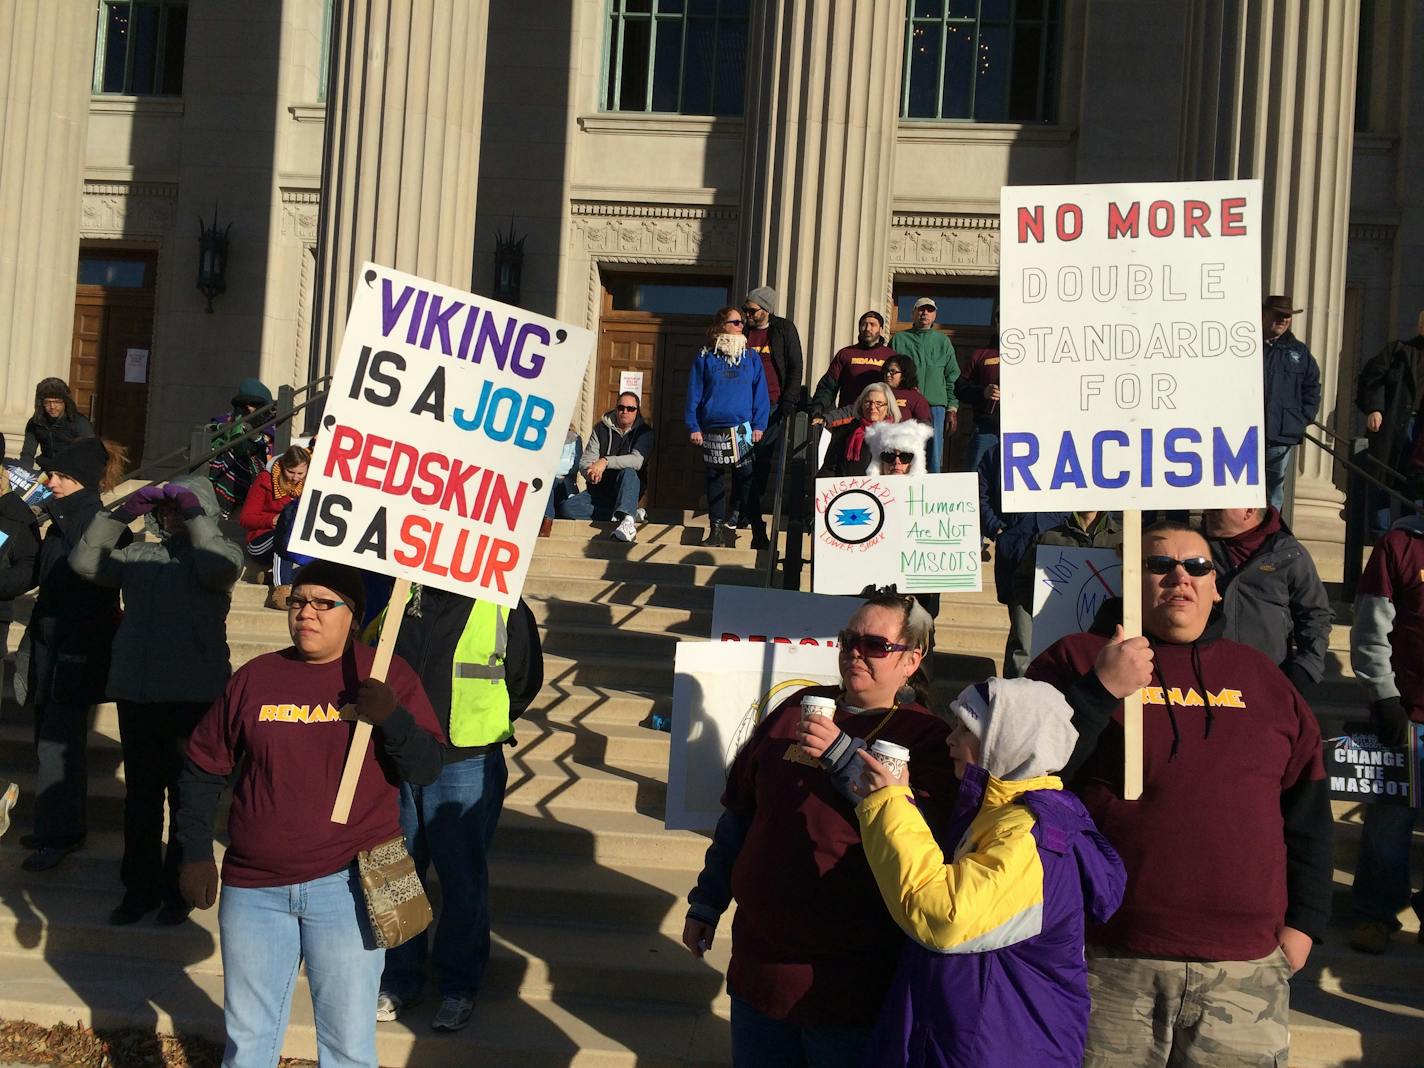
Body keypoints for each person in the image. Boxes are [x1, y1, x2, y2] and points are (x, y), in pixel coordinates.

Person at [1026, 522, 1333, 1066]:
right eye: (1159, 565)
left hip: (1245, 968)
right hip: (1110, 957)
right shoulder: (1074, 660)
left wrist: (1305, 922)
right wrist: (1099, 692)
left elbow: (1306, 811)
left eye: (1197, 566)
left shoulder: (1263, 679)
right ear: (1130, 581)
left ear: (1217, 586)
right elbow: (1027, 778)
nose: (1179, 577)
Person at [173, 560, 444, 1068]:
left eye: (324, 603)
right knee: (249, 1040)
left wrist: (393, 718)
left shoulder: (386, 676)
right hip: (254, 890)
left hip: (349, 888)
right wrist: (192, 851)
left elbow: (427, 769)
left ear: (354, 614)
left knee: (347, 1045)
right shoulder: (257, 678)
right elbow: (203, 767)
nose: (307, 613)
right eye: (299, 601)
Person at [682, 593, 956, 1067]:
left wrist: (844, 758)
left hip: (848, 985)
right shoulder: (796, 709)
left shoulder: (926, 739)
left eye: (875, 644)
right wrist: (707, 901)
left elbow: (923, 841)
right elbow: (741, 817)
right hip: (760, 968)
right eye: (849, 639)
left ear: (912, 659)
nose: (854, 652)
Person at [852, 678, 1126, 1067]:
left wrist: (889, 806)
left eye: (966, 729)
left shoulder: (1034, 835)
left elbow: (944, 916)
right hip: (975, 1042)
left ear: (1007, 740)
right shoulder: (998, 815)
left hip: (1001, 1050)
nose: (950, 739)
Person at [69, 474, 243, 925]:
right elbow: (86, 564)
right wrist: (118, 514)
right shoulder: (139, 553)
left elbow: (219, 570)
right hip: (138, 693)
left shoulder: (217, 553)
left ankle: (178, 891)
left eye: (178, 508)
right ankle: (139, 890)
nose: (170, 515)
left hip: (193, 696)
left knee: (187, 795)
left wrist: (195, 512)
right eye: (165, 509)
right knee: (142, 799)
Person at [376, 586, 544, 1030]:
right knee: (395, 874)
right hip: (400, 755)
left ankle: (458, 986)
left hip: (466, 759)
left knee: (462, 878)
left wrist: (484, 725)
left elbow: (524, 681)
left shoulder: (504, 604)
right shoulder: (400, 593)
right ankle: (399, 978)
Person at [20, 437, 130, 872]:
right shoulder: (55, 522)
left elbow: (93, 575)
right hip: (47, 646)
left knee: (59, 746)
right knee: (46, 738)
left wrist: (56, 515)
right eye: (51, 475)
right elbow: (27, 574)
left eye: (60, 476)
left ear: (80, 481)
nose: (50, 483)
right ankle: (58, 825)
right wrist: (13, 518)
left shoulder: (105, 522)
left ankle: (59, 835)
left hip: (77, 649)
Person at [1347, 515, 1424, 954]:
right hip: (1408, 714)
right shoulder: (1400, 544)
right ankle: (1376, 913)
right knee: (1389, 824)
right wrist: (1384, 696)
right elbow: (1370, 628)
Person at [1202, 506, 1332, 699]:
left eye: (1217, 508)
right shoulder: (1193, 549)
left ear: (1249, 510)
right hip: (1203, 676)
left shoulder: (1290, 554)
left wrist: (1306, 669)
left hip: (1268, 680)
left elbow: (1316, 616)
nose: (1206, 512)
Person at [686, 306, 769, 548]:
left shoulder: (751, 357)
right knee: (714, 479)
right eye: (735, 322)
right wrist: (693, 425)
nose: (741, 325)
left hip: (742, 429)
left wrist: (759, 424)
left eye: (742, 322)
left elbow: (760, 394)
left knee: (747, 479)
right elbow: (694, 394)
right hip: (712, 428)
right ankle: (716, 530)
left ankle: (758, 530)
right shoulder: (705, 356)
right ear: (722, 325)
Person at [1005, 510, 1121, 679]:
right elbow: (1022, 581)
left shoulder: (1125, 540)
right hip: (1060, 642)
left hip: (1109, 642)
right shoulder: (1049, 538)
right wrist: (1041, 612)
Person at [742, 286, 804, 549]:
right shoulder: (741, 331)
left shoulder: (783, 329)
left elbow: (795, 365)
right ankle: (743, 514)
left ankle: (753, 519)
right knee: (742, 465)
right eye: (745, 309)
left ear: (766, 309)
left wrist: (788, 400)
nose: (747, 314)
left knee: (761, 464)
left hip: (771, 405)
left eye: (751, 310)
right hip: (741, 407)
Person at [554, 391, 654, 543]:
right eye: (621, 407)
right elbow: (586, 460)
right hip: (599, 490)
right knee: (567, 508)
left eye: (630, 408)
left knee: (629, 472)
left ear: (637, 411)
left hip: (627, 489)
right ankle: (629, 513)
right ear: (616, 408)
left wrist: (605, 461)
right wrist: (590, 472)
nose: (624, 411)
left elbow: (637, 461)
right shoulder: (600, 428)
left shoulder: (644, 432)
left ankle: (627, 522)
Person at [1354, 311, 1424, 516]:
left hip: (1421, 429)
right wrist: (1374, 409)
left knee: (1416, 481)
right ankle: (1378, 535)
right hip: (1394, 423)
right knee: (1382, 477)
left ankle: (1408, 533)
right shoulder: (1398, 350)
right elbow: (1371, 381)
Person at [1261, 295, 1321, 511]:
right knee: (1238, 489)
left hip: (1280, 435)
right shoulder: (1245, 344)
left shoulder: (1299, 351)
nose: (1283, 319)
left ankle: (1269, 539)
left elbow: (1312, 386)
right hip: (1242, 434)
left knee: (1273, 493)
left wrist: (1302, 418)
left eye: (1287, 316)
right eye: (1278, 314)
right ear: (1264, 314)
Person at [890, 297, 959, 473]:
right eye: (921, 309)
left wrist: (952, 408)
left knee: (933, 457)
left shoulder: (943, 342)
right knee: (904, 453)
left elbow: (952, 377)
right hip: (906, 406)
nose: (924, 313)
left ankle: (933, 497)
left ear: (934, 315)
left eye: (929, 310)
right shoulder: (900, 339)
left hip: (935, 408)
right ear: (913, 313)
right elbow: (888, 374)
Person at [238, 444, 309, 604]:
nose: (295, 478)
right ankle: (282, 590)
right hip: (261, 540)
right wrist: (272, 520)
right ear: (282, 466)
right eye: (291, 472)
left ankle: (275, 576)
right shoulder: (265, 480)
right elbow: (245, 518)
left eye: (300, 473)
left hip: (295, 542)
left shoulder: (308, 487)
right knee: (284, 534)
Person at [209, 378, 275, 516]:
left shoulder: (271, 426)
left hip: (257, 471)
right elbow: (211, 433)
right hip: (227, 467)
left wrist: (251, 435)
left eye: (254, 404)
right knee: (226, 458)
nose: (249, 408)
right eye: (244, 404)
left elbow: (267, 450)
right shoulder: (228, 421)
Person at [809, 311, 895, 417]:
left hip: (879, 421)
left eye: (873, 325)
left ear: (881, 330)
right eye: (864, 324)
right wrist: (819, 406)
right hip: (847, 419)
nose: (867, 328)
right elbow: (828, 386)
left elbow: (900, 390)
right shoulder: (845, 354)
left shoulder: (891, 357)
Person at [818, 382, 899, 478]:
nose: (872, 407)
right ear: (861, 405)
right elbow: (830, 469)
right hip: (849, 489)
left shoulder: (898, 437)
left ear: (888, 408)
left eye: (879, 403)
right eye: (868, 402)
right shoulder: (845, 433)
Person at [955, 316, 1001, 477]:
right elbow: (960, 388)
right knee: (975, 478)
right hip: (986, 428)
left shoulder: (1033, 355)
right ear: (996, 322)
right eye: (1001, 318)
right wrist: (983, 392)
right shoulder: (981, 355)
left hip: (1022, 430)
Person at [19, 378, 95, 470]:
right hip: (46, 472)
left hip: (71, 474)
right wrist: (23, 474)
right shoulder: (35, 422)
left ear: (65, 402)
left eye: (57, 402)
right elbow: (27, 454)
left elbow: (91, 454)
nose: (52, 407)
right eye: (47, 402)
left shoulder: (79, 422)